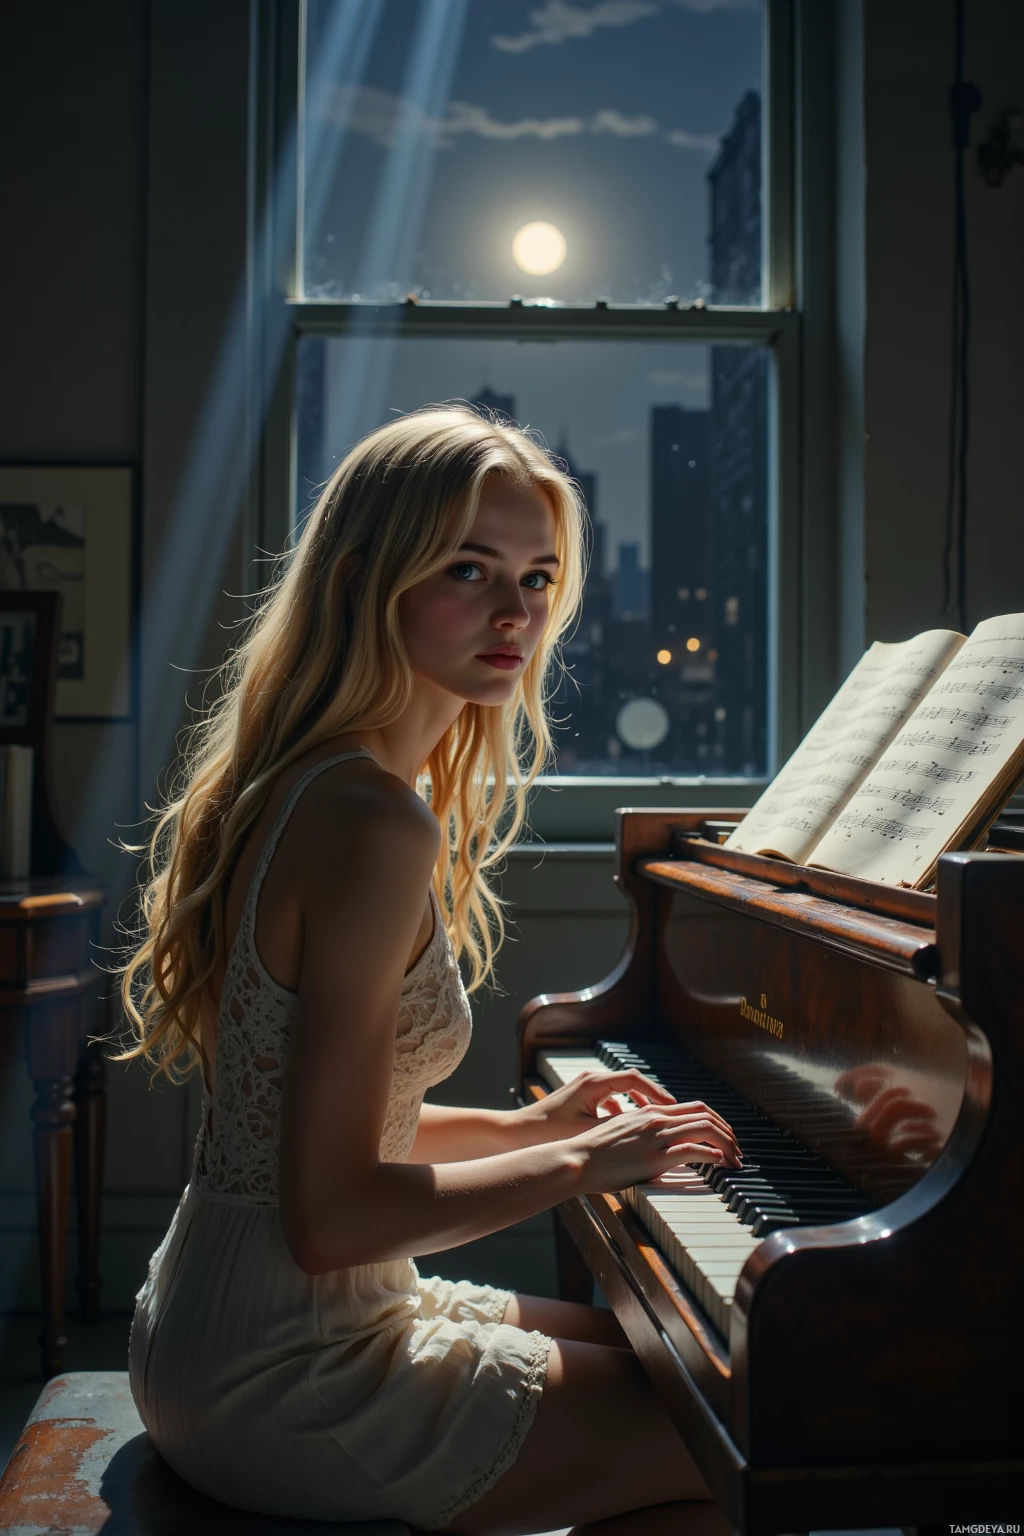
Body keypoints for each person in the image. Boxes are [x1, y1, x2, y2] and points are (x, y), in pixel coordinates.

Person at [117, 405, 740, 1535]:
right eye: (470, 569)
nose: (517, 612)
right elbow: (331, 1216)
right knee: (736, 1445)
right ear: (367, 582)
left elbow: (335, 1137)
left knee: (698, 1362)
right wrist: (582, 1165)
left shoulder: (318, 782)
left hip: (219, 1321)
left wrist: (538, 1130)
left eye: (540, 578)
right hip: (285, 1372)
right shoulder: (367, 816)